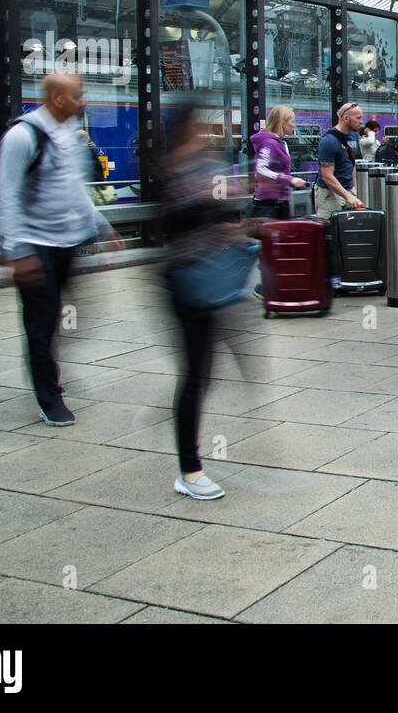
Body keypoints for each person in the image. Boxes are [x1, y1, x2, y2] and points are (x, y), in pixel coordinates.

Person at [0, 70, 123, 427]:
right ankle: (49, 397)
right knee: (41, 323)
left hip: (67, 245)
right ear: (57, 99)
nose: (85, 102)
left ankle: (48, 372)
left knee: (61, 319)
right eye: (78, 96)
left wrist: (103, 227)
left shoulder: (69, 134)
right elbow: (6, 197)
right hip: (36, 248)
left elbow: (76, 189)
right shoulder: (23, 136)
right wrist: (16, 252)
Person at [159, 105, 255, 501]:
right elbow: (182, 222)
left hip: (211, 279)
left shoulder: (201, 165)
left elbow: (216, 218)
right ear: (185, 129)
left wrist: (240, 228)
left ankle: (184, 430)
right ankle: (190, 469)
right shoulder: (174, 172)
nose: (209, 130)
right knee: (196, 376)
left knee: (206, 372)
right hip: (187, 281)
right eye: (200, 124)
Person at [248, 105, 307, 221]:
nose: (294, 125)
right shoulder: (270, 143)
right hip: (271, 204)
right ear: (283, 123)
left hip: (278, 202)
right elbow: (260, 170)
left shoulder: (280, 143)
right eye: (292, 121)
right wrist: (289, 179)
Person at [315, 101, 365, 219]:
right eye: (358, 118)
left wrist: (353, 188)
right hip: (329, 193)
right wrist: (348, 196)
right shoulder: (329, 141)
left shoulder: (354, 136)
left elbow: (351, 162)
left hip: (348, 189)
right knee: (330, 229)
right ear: (346, 118)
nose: (362, 122)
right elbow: (327, 176)